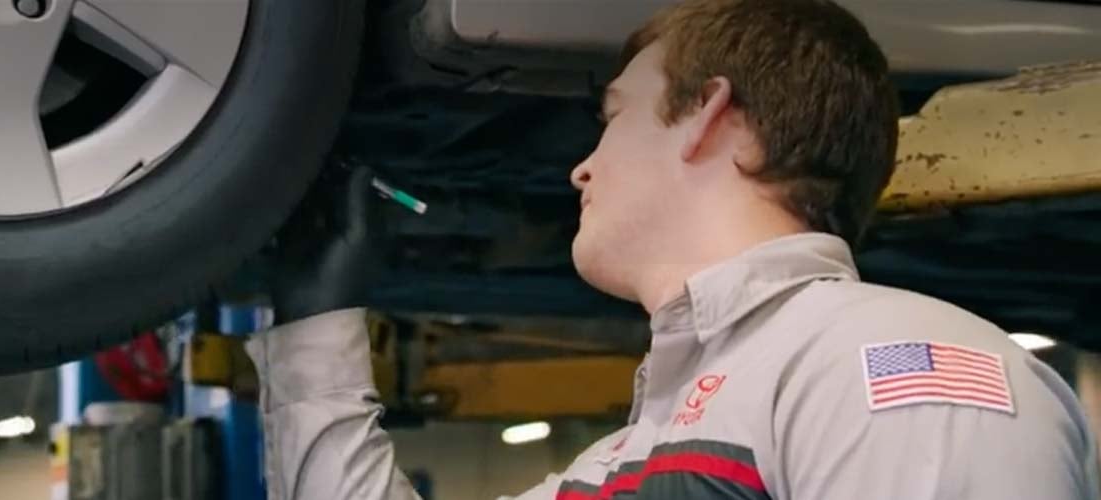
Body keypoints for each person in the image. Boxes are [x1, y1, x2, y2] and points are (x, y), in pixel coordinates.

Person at [249, 0, 1101, 499]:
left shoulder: (899, 371)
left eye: (614, 116)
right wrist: (314, 324)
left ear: (710, 115)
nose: (582, 166)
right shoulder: (635, 450)